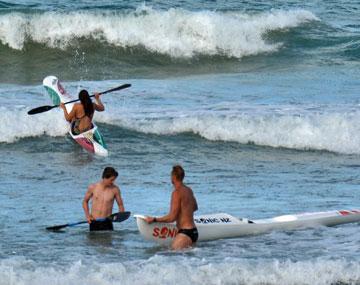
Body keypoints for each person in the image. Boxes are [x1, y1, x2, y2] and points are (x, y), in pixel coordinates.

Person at [145, 165, 198, 250]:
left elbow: (172, 218)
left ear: (173, 177)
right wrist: (184, 211)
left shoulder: (176, 193)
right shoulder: (189, 190)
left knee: (172, 255)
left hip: (185, 233)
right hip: (194, 232)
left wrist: (154, 219)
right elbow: (195, 207)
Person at [83, 167, 125, 231]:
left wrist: (120, 216)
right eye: (111, 180)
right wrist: (88, 216)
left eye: (114, 180)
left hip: (107, 222)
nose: (113, 182)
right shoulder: (93, 187)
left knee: (108, 240)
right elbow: (85, 202)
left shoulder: (115, 189)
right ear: (105, 177)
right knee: (93, 240)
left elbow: (120, 205)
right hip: (94, 221)